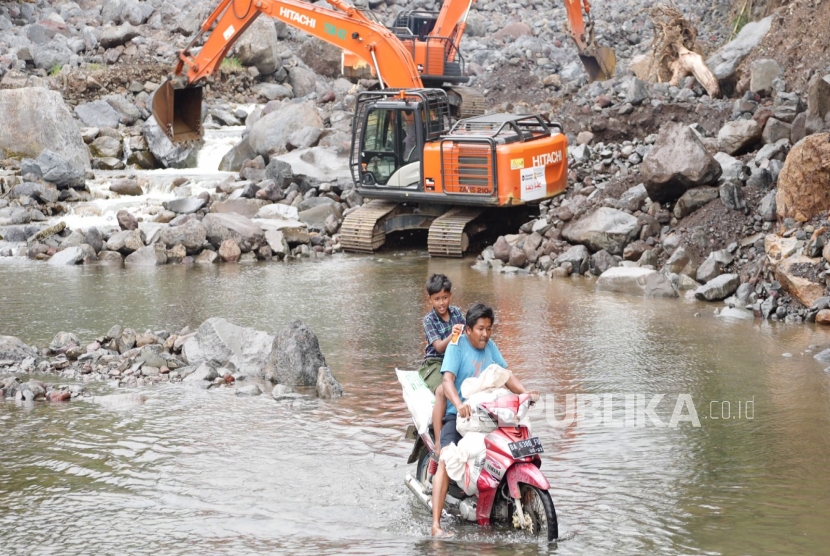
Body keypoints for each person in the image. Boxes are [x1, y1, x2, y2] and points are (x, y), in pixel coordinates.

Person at [430, 303, 537, 538]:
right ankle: (436, 525)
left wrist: (525, 394)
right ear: (468, 329)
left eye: (488, 328)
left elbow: (506, 376)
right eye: (480, 329)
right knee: (447, 459)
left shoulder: (491, 346)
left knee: (515, 450)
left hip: (488, 416)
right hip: (459, 416)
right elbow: (447, 382)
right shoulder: (456, 347)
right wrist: (459, 404)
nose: (485, 334)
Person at [417, 274, 465, 458]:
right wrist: (453, 336)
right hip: (434, 363)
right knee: (442, 391)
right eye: (437, 299)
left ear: (450, 296)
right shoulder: (428, 320)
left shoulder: (458, 313)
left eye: (444, 298)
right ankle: (438, 440)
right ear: (430, 299)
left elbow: (466, 337)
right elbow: (438, 346)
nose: (441, 302)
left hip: (455, 359)